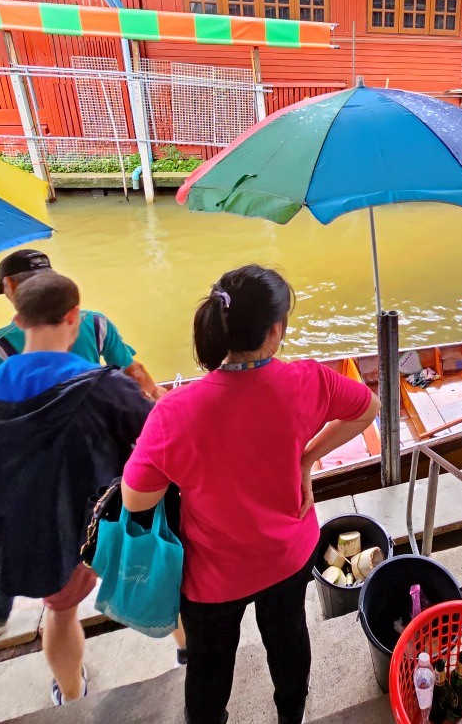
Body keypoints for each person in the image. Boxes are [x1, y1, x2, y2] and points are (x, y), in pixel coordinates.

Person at [120, 265, 379, 724]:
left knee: (209, 668)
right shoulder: (309, 382)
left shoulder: (174, 412)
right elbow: (367, 408)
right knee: (288, 640)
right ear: (275, 331)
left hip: (212, 577)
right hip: (286, 556)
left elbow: (136, 500)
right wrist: (305, 457)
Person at [0, 273, 153, 706]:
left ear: (18, 320)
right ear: (74, 316)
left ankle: (72, 696)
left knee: (60, 612)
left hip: (14, 545)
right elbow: (156, 448)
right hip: (93, 535)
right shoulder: (106, 388)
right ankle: (187, 648)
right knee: (151, 582)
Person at [0, 249, 161, 400]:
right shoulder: (96, 323)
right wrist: (155, 394)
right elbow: (134, 372)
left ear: (10, 284)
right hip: (93, 419)